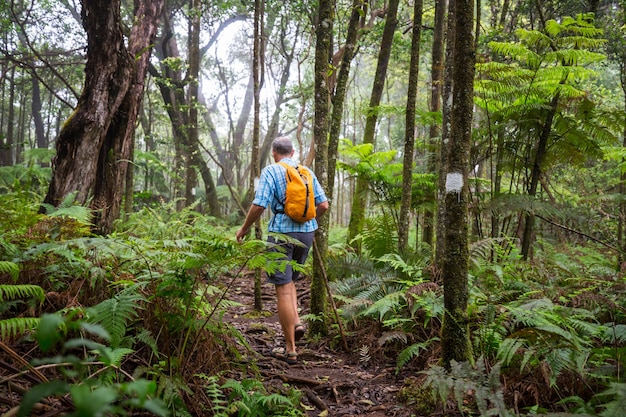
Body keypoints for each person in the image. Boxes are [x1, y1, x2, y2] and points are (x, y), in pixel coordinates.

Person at [236, 137, 329, 364]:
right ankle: (296, 322)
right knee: (290, 282)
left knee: (282, 289)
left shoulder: (271, 171)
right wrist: (309, 222)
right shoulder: (306, 171)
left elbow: (259, 205)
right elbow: (324, 204)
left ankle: (290, 349)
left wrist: (244, 229)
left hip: (280, 235)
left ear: (274, 153)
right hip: (306, 235)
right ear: (293, 151)